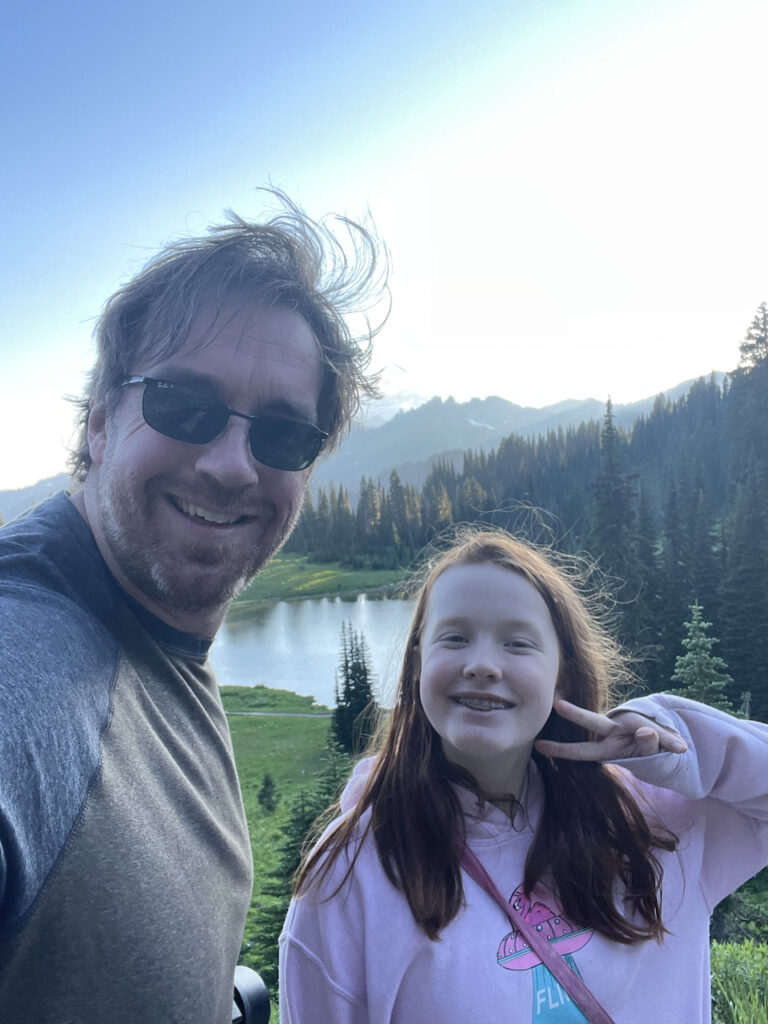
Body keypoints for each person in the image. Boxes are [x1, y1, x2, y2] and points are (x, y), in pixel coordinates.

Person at [0, 191, 387, 1022]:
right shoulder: (27, 656)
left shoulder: (159, 641)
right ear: (101, 421)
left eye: (282, 435)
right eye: (185, 405)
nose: (231, 466)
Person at [279, 529, 768, 1024]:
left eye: (517, 643)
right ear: (416, 665)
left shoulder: (653, 819)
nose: (483, 665)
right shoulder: (349, 876)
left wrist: (677, 739)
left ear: (563, 674)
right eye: (454, 637)